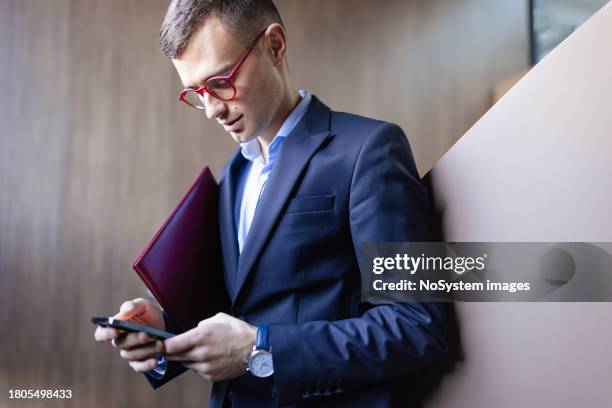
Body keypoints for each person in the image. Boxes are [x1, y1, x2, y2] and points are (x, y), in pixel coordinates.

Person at [94, 1, 447, 407]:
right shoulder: (233, 176)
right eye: (195, 92)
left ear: (275, 46)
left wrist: (261, 350)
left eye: (220, 82)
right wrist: (163, 332)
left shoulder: (368, 150)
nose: (210, 109)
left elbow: (416, 325)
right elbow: (240, 309)